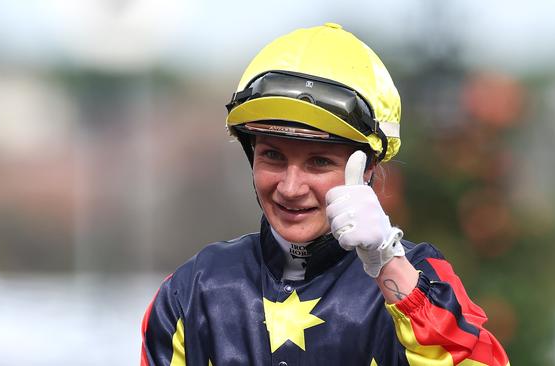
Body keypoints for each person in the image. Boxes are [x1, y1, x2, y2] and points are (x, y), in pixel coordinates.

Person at [140, 23, 510, 366]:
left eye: (318, 161)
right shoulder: (192, 290)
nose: (290, 187)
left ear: (367, 168)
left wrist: (387, 265)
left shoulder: (421, 278)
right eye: (272, 155)